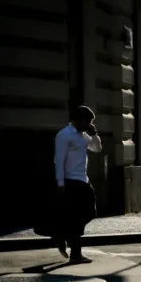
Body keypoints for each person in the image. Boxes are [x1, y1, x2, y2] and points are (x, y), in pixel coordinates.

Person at [51, 105, 102, 263]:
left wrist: (94, 133)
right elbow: (59, 160)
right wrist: (60, 183)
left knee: (89, 213)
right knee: (76, 217)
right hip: (70, 181)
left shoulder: (83, 135)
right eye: (87, 122)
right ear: (79, 120)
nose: (89, 125)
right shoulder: (64, 135)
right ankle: (75, 253)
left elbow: (97, 149)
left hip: (83, 180)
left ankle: (61, 235)